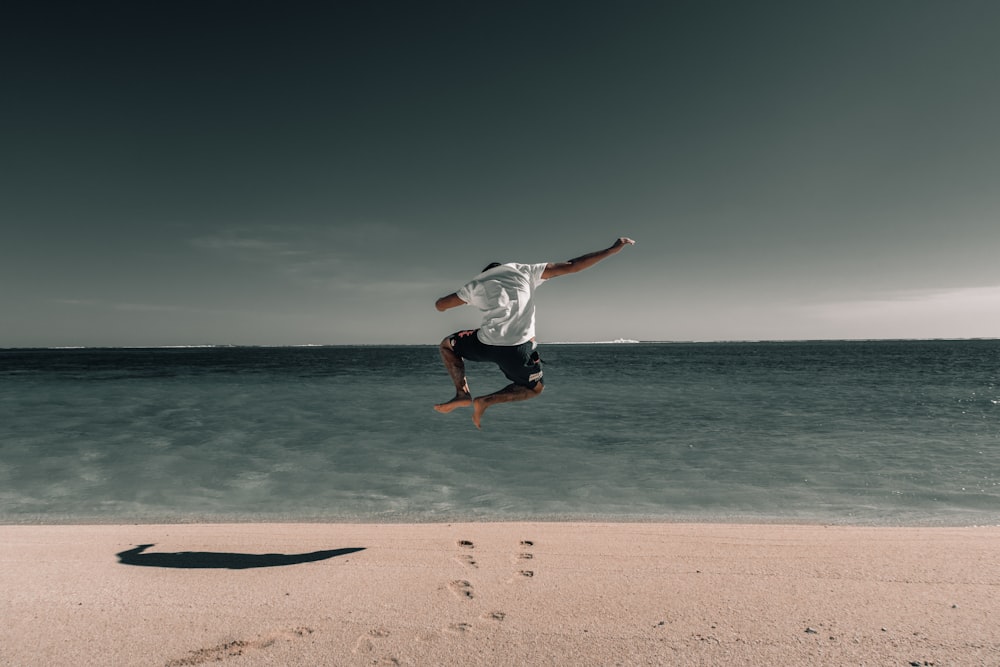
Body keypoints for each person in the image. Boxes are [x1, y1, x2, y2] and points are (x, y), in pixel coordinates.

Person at [434, 237, 636, 428]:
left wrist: (463, 298)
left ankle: (462, 393)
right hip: (517, 349)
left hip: (486, 343)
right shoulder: (524, 271)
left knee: (447, 345)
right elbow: (573, 266)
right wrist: (612, 250)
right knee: (535, 388)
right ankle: (486, 401)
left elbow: (441, 305)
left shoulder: (476, 284)